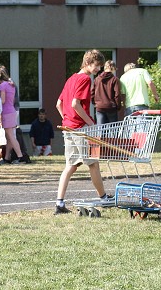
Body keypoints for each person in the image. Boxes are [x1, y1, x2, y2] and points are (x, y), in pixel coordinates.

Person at [55, 49, 113, 215]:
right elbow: (75, 104)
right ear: (88, 63)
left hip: (68, 128)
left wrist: (67, 119)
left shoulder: (71, 79)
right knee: (93, 163)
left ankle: (59, 203)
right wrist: (89, 122)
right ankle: (103, 197)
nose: (98, 70)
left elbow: (59, 104)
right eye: (96, 66)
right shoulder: (85, 79)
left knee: (70, 166)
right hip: (80, 129)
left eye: (100, 67)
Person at [0, 66, 30, 164]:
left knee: (10, 136)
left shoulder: (2, 86)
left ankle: (21, 156)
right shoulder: (11, 85)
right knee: (9, 136)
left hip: (6, 112)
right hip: (12, 111)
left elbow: (2, 100)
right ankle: (7, 158)